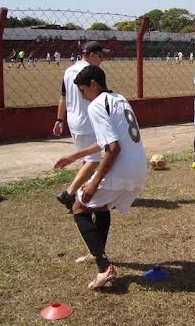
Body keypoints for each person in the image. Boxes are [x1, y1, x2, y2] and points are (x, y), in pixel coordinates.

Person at [54, 65, 147, 290]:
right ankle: (97, 251)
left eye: (84, 91)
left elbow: (113, 148)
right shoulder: (119, 98)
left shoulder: (97, 105)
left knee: (79, 206)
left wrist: (94, 181)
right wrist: (75, 155)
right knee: (101, 206)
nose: (84, 98)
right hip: (139, 165)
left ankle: (104, 267)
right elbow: (112, 140)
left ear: (94, 85)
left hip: (121, 165)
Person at [53, 41, 109, 212]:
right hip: (88, 121)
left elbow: (63, 97)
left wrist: (59, 119)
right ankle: (69, 193)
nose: (102, 59)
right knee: (93, 161)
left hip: (73, 120)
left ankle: (84, 191)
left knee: (87, 159)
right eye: (101, 56)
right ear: (91, 55)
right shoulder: (93, 73)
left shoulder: (69, 70)